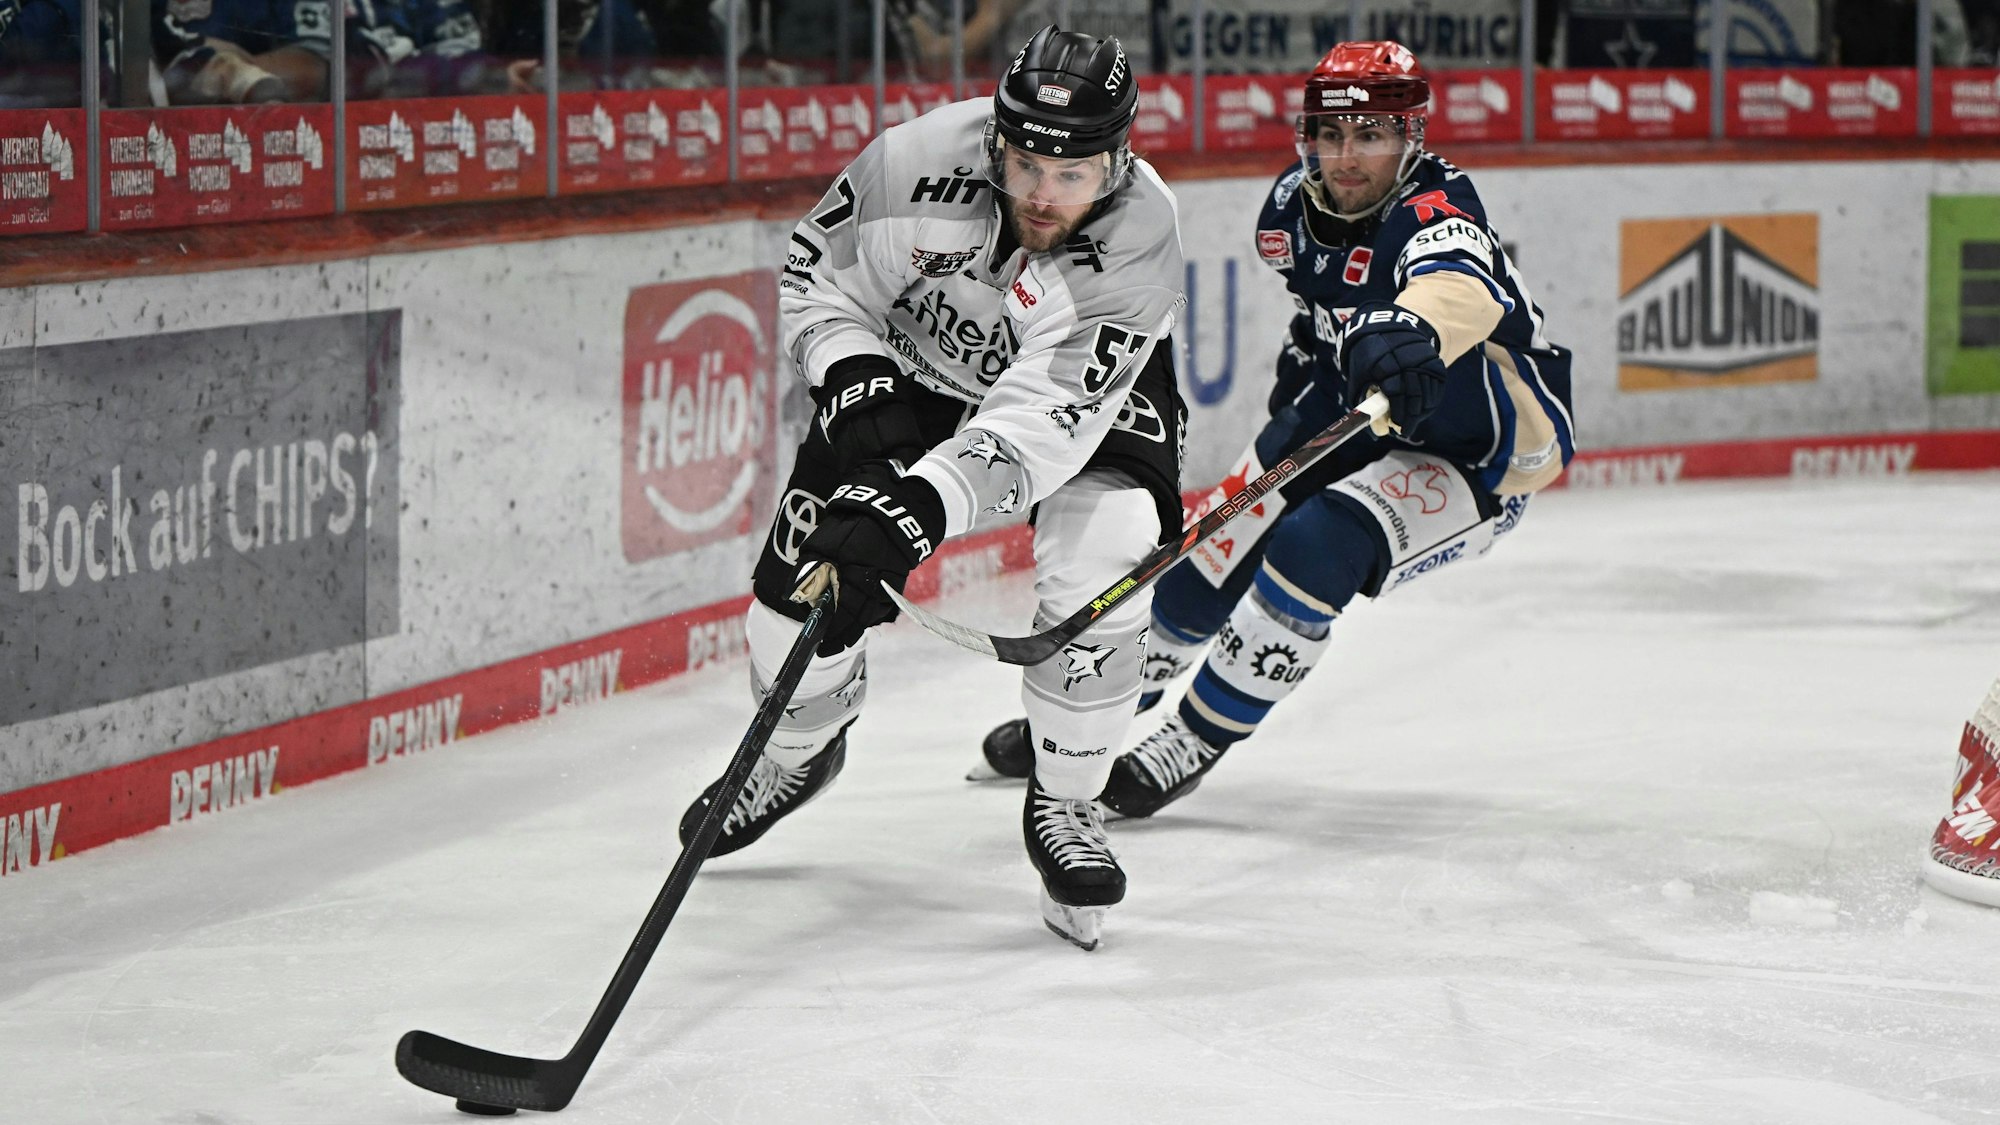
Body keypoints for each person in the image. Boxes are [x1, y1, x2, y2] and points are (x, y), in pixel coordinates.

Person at [676, 24, 1187, 951]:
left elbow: (1036, 430)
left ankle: (1070, 799)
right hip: (912, 368)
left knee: (1110, 545)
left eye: (1071, 175)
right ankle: (795, 757)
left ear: (1118, 160)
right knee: (794, 612)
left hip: (1076, 396)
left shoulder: (1139, 235)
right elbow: (817, 279)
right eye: (1026, 161)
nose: (1042, 193)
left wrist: (913, 509)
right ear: (996, 136)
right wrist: (863, 414)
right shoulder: (912, 164)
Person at [978, 41, 1576, 821]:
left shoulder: (1441, 211)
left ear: (1411, 140)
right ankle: (1096, 717)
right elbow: (1319, 313)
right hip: (1348, 410)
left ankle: (1189, 741)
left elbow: (1456, 284)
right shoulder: (1291, 210)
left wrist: (1409, 329)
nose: (1347, 157)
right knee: (1202, 557)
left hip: (1471, 452)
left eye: (1371, 136)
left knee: (1316, 544)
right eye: (1331, 135)